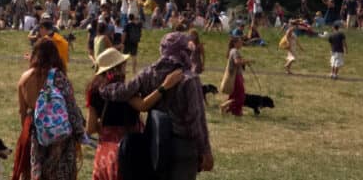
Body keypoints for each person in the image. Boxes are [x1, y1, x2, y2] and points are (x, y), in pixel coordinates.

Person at [99, 32, 213, 179]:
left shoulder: (150, 73)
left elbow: (124, 91)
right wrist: (204, 150)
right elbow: (196, 120)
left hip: (156, 144)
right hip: (183, 146)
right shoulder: (189, 79)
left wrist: (104, 89)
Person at [87, 48, 183, 180]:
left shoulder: (94, 91)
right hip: (126, 151)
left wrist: (107, 129)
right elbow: (143, 105)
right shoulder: (123, 91)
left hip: (104, 154)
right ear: (116, 68)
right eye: (122, 66)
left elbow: (90, 128)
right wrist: (165, 86)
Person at [12, 38, 85, 180]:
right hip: (61, 135)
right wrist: (80, 133)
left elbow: (22, 113)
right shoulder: (59, 77)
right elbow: (71, 107)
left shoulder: (24, 78)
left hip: (36, 133)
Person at [221, 36, 249, 116]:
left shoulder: (233, 51)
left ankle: (231, 110)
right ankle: (225, 106)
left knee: (234, 94)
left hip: (236, 75)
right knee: (241, 96)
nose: (241, 43)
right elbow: (237, 62)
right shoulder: (235, 51)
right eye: (240, 42)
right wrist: (246, 61)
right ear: (235, 43)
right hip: (235, 76)